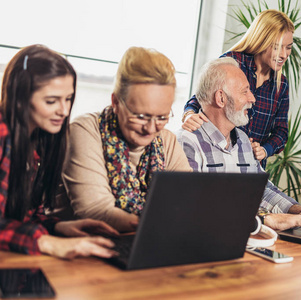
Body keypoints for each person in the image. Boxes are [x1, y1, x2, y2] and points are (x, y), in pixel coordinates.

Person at [177, 57, 301, 233]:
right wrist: (266, 219)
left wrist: (300, 211)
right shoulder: (188, 143)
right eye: (245, 91)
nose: (252, 98)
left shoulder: (244, 141)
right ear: (221, 98)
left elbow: (261, 190)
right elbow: (196, 207)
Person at [0, 45, 119, 258]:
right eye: (51, 101)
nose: (63, 111)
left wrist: (60, 228)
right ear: (21, 98)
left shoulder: (41, 140)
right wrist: (47, 243)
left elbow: (23, 220)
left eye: (68, 99)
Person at [62, 47, 192, 233]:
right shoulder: (85, 130)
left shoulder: (167, 141)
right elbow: (96, 211)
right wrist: (161, 222)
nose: (150, 128)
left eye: (162, 117)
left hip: (143, 243)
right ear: (115, 102)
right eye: (140, 116)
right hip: (82, 249)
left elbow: (187, 200)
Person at [182, 9, 294, 168]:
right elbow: (201, 97)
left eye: (288, 47)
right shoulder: (233, 64)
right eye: (277, 47)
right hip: (218, 159)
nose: (284, 54)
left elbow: (281, 133)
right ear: (262, 40)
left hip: (251, 166)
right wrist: (189, 114)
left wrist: (265, 150)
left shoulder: (281, 84)